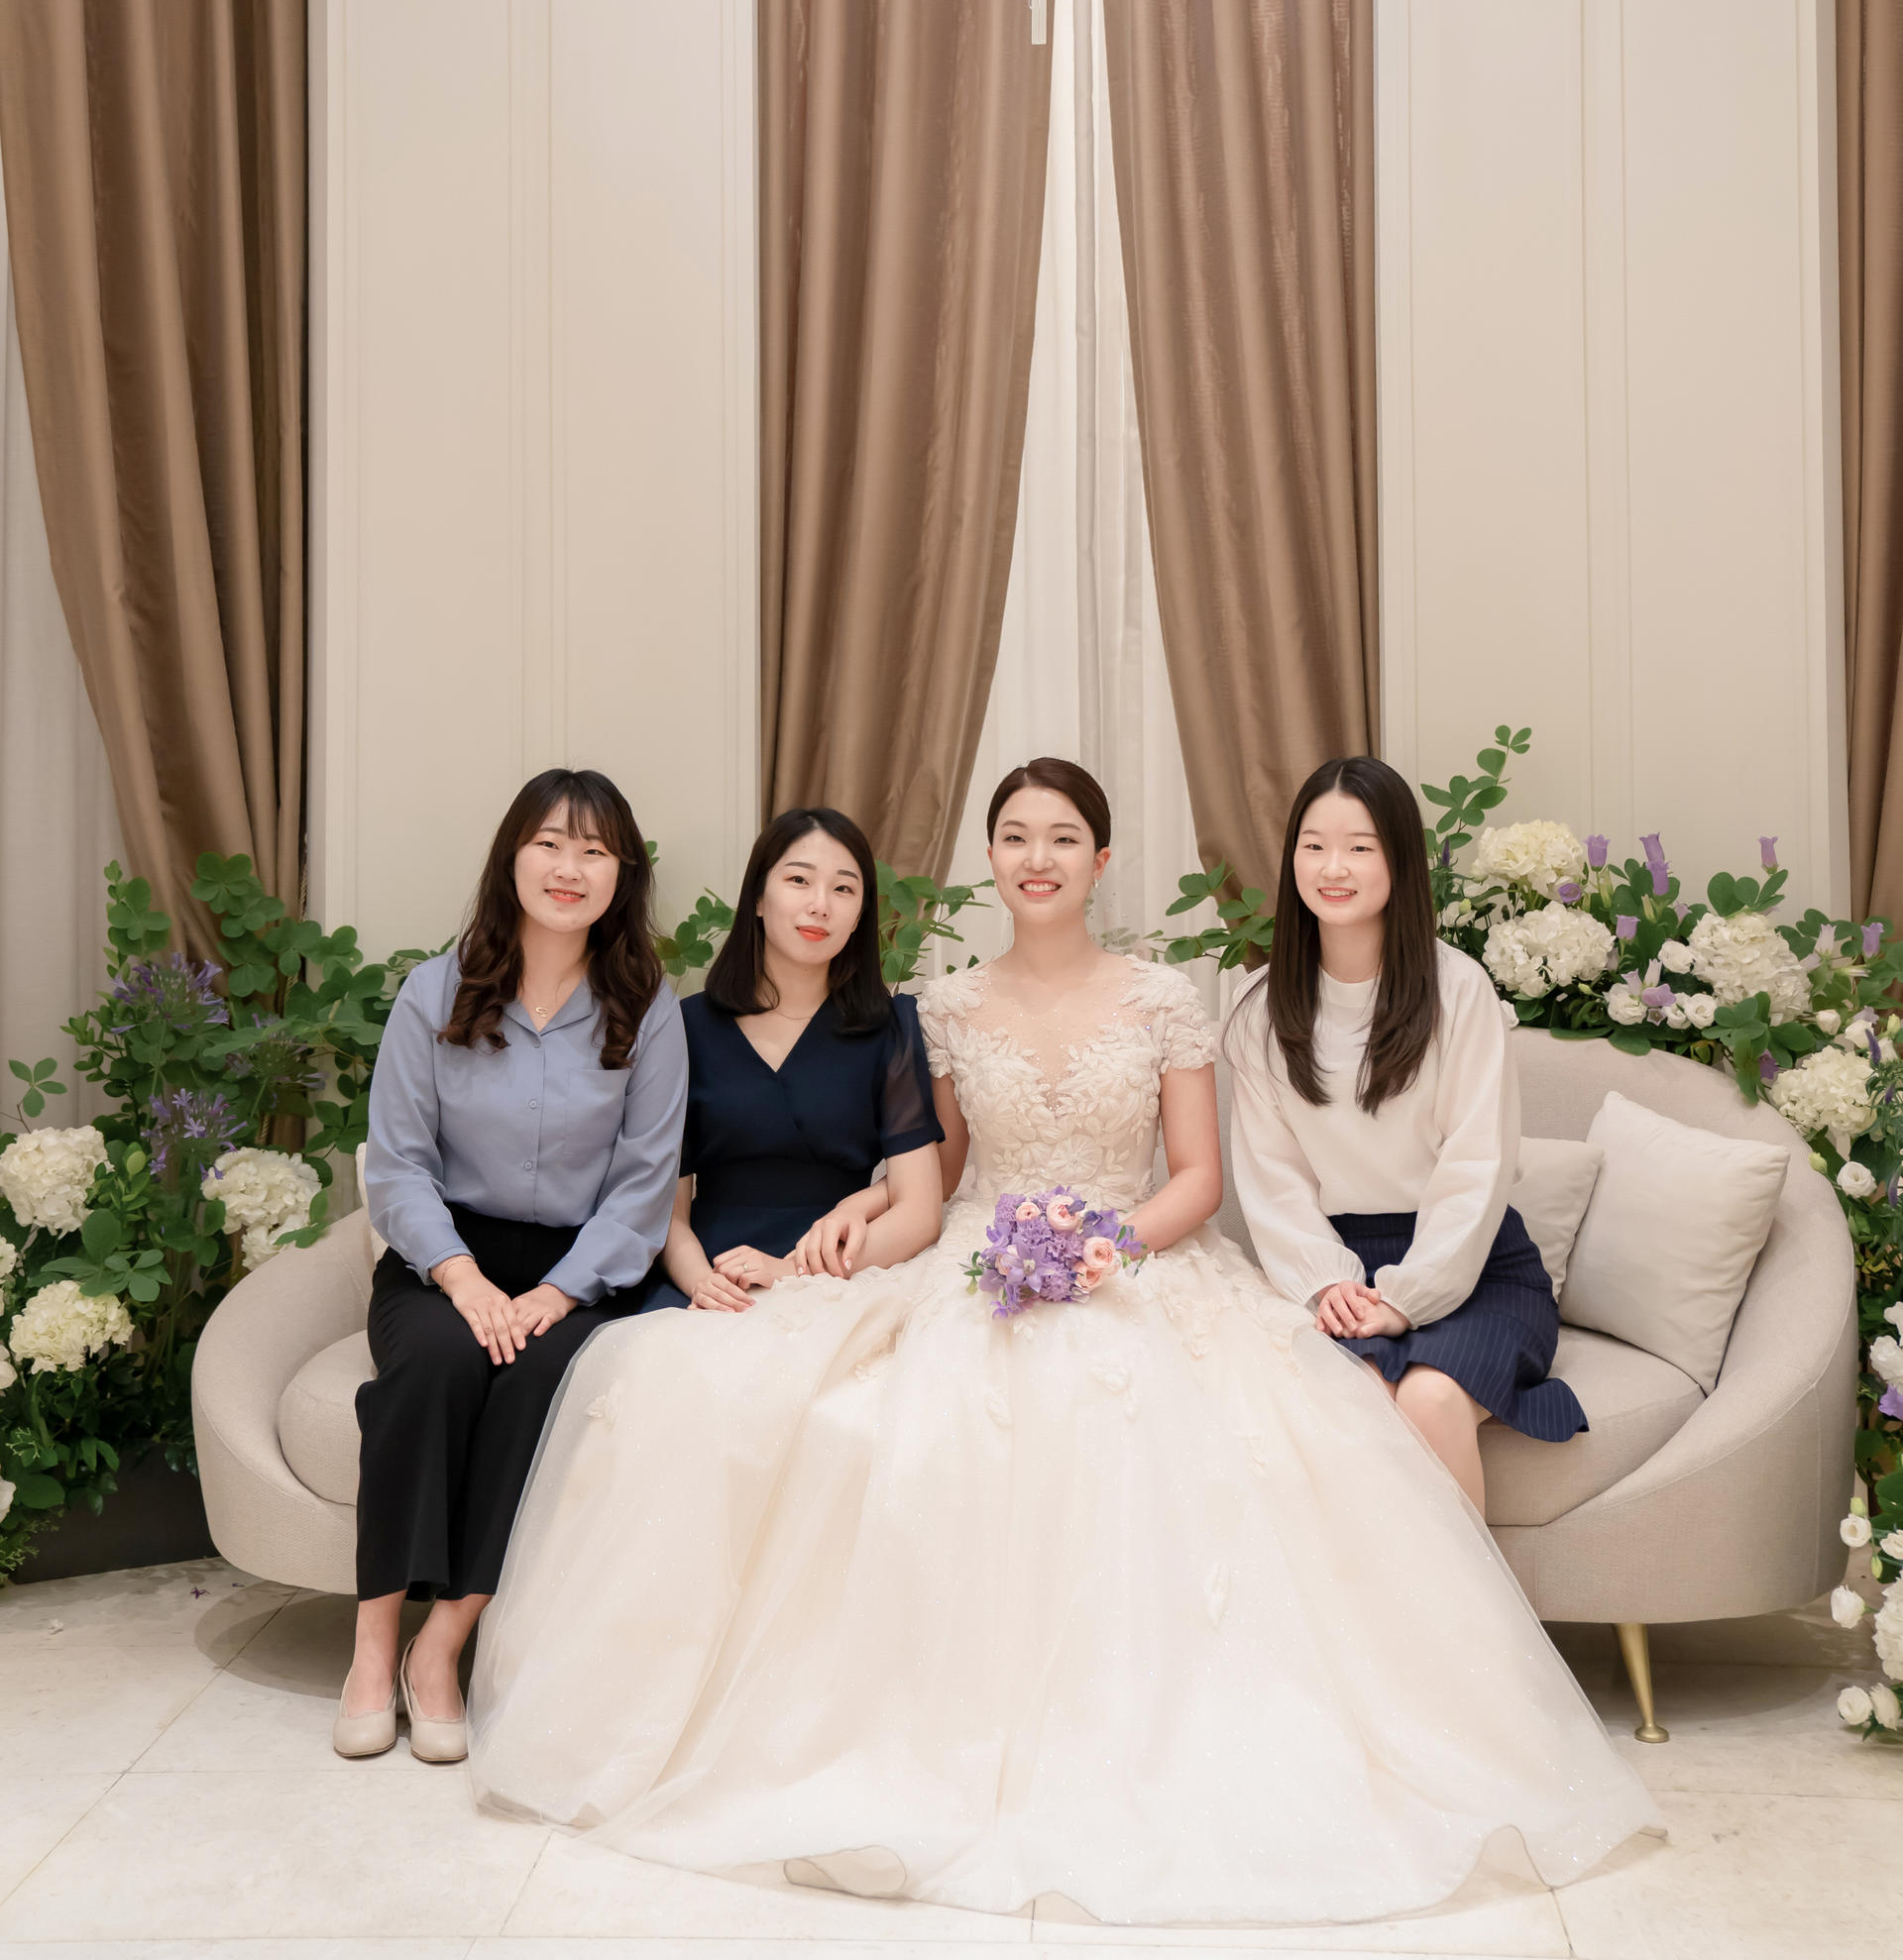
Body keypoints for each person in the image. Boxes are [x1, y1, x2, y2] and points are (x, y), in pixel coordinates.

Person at [467, 755, 1655, 1925]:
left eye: (1063, 838)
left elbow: (1199, 1179)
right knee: (852, 1415)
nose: (1038, 858)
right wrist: (856, 1221)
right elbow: (934, 1175)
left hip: (1135, 1254)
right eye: (1016, 837)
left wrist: (1109, 1248)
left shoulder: (1167, 1000)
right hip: (978, 1256)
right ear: (990, 858)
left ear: (1100, 858)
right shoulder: (946, 1007)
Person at [335, 767, 687, 1763]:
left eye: (594, 850)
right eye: (549, 844)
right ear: (512, 858)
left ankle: (439, 1649)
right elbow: (397, 1166)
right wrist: (462, 1277)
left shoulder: (648, 1008)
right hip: (443, 1258)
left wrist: (560, 1291)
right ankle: (373, 1644)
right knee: (436, 1365)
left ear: (622, 875)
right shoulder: (434, 991)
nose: (570, 868)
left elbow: (646, 1181)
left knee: (541, 1382)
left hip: (580, 1270)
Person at [1224, 755, 1584, 1511]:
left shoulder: (1459, 990)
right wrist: (1328, 1281)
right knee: (1348, 1394)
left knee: (1428, 1398)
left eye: (1359, 847)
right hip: (1340, 1268)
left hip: (1473, 1264)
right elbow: (1273, 1177)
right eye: (1314, 846)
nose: (1333, 868)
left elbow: (1477, 1165)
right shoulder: (1260, 1010)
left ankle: (1469, 1597)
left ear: (1399, 860)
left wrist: (1409, 1295)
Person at [644, 805, 943, 1312]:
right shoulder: (685, 1026)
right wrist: (702, 1283)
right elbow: (666, 1212)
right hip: (710, 1277)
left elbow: (919, 1213)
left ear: (859, 916)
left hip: (839, 1280)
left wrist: (792, 1274)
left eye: (843, 889)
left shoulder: (891, 1026)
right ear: (758, 898)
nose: (820, 905)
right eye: (799, 880)